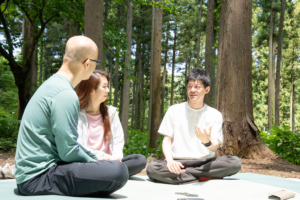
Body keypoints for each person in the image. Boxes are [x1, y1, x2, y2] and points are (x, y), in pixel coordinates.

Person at [14, 36, 128, 196]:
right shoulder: (66, 94)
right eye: (96, 62)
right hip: (39, 178)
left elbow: (68, 146)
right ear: (87, 63)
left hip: (32, 176)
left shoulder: (52, 85)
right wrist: (96, 161)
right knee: (119, 171)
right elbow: (68, 152)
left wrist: (96, 158)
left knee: (112, 167)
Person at [146, 68, 241, 184]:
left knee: (234, 162)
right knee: (152, 168)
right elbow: (167, 139)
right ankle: (201, 176)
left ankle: (186, 174)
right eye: (189, 86)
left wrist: (207, 142)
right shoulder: (174, 110)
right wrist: (170, 161)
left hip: (204, 162)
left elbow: (215, 146)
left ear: (206, 90)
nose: (192, 90)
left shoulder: (215, 114)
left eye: (197, 87)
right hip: (178, 161)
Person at [76, 69, 146, 177]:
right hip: (89, 161)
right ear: (91, 90)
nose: (108, 90)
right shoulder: (77, 115)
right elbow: (80, 146)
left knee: (139, 160)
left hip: (111, 162)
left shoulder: (111, 113)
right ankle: (113, 172)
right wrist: (104, 156)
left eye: (107, 86)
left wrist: (116, 159)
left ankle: (111, 171)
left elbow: (118, 142)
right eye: (104, 87)